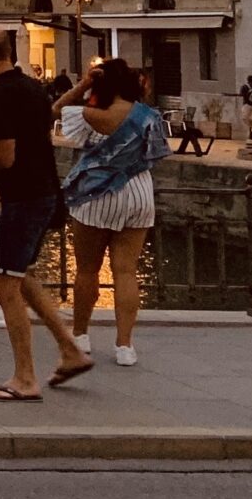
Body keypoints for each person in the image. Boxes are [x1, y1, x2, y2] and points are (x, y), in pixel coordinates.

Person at [0, 25, 92, 401]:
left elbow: (5, 157)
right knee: (21, 275)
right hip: (44, 192)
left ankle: (25, 378)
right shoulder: (32, 87)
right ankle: (70, 349)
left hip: (21, 198)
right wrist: (81, 86)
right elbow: (46, 118)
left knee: (3, 285)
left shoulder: (1, 94)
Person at [59, 59, 170, 367]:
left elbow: (53, 111)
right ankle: (125, 346)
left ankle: (80, 335)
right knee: (126, 271)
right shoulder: (149, 116)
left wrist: (82, 85)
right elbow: (156, 153)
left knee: (87, 269)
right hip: (139, 193)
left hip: (97, 196)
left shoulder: (91, 115)